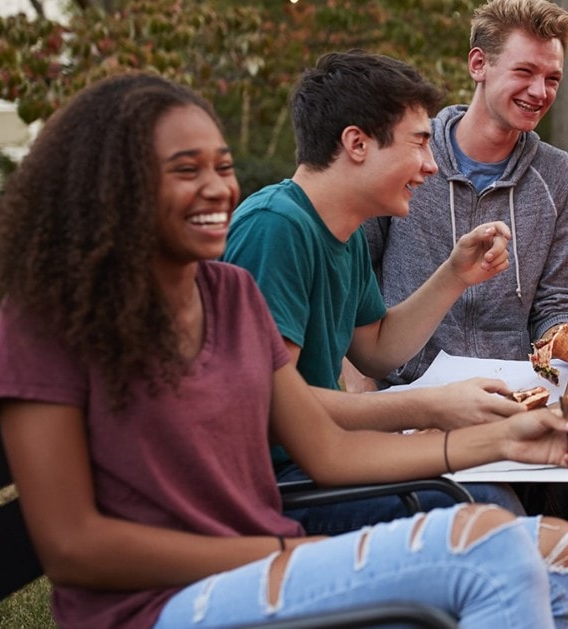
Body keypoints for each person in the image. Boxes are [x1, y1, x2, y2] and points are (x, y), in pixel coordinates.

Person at [0, 72, 568, 629]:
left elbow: (327, 449)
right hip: (160, 601)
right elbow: (73, 547)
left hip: (267, 561)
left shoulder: (228, 294)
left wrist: (508, 439)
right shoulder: (44, 320)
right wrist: (286, 551)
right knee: (490, 546)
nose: (220, 188)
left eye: (222, 167)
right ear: (116, 186)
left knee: (564, 563)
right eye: (186, 170)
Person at [358, 2, 568, 626]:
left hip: (517, 403)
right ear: (479, 65)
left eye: (553, 78)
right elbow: (361, 296)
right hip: (412, 403)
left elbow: (553, 303)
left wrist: (565, 339)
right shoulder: (408, 157)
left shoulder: (559, 176)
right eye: (525, 72)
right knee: (523, 541)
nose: (540, 91)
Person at [222, 50, 529, 534]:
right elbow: (269, 405)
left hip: (322, 459)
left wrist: (454, 275)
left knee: (522, 479)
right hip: (273, 488)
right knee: (482, 504)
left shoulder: (341, 232)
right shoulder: (276, 228)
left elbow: (378, 350)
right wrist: (431, 405)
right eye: (419, 144)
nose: (430, 165)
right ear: (357, 143)